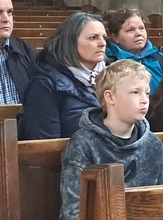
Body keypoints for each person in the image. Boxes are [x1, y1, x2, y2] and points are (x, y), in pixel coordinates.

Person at [57, 60, 163, 220]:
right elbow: (73, 212)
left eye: (147, 93)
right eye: (135, 92)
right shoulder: (83, 143)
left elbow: (157, 201)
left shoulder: (152, 144)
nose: (144, 100)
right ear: (110, 97)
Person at [21, 12, 109, 140]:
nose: (102, 43)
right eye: (93, 38)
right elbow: (45, 144)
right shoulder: (44, 84)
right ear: (71, 43)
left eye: (104, 37)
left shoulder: (113, 76)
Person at [103, 7, 163, 94]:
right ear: (115, 37)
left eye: (141, 28)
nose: (139, 33)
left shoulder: (159, 58)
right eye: (130, 30)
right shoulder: (107, 62)